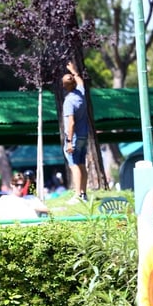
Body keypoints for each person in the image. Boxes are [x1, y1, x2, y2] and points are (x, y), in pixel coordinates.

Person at [62, 61, 89, 204]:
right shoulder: (80, 93)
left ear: (65, 86)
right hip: (84, 135)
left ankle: (78, 195)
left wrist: (68, 141)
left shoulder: (69, 102)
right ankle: (84, 194)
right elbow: (80, 81)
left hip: (74, 137)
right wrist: (73, 71)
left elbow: (70, 123)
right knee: (82, 164)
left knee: (74, 166)